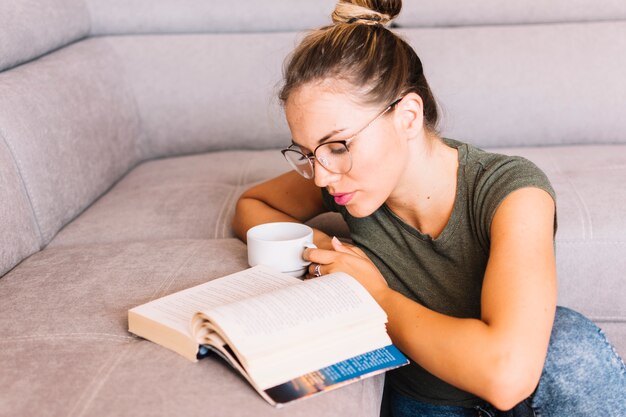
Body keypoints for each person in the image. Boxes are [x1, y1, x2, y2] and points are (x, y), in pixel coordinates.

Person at [231, 1, 626, 415]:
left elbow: (507, 377)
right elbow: (252, 205)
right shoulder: (344, 183)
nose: (322, 176)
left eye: (338, 146)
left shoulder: (512, 192)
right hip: (423, 401)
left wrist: (374, 292)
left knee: (566, 342)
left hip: (535, 396)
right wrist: (330, 254)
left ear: (408, 116)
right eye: (308, 154)